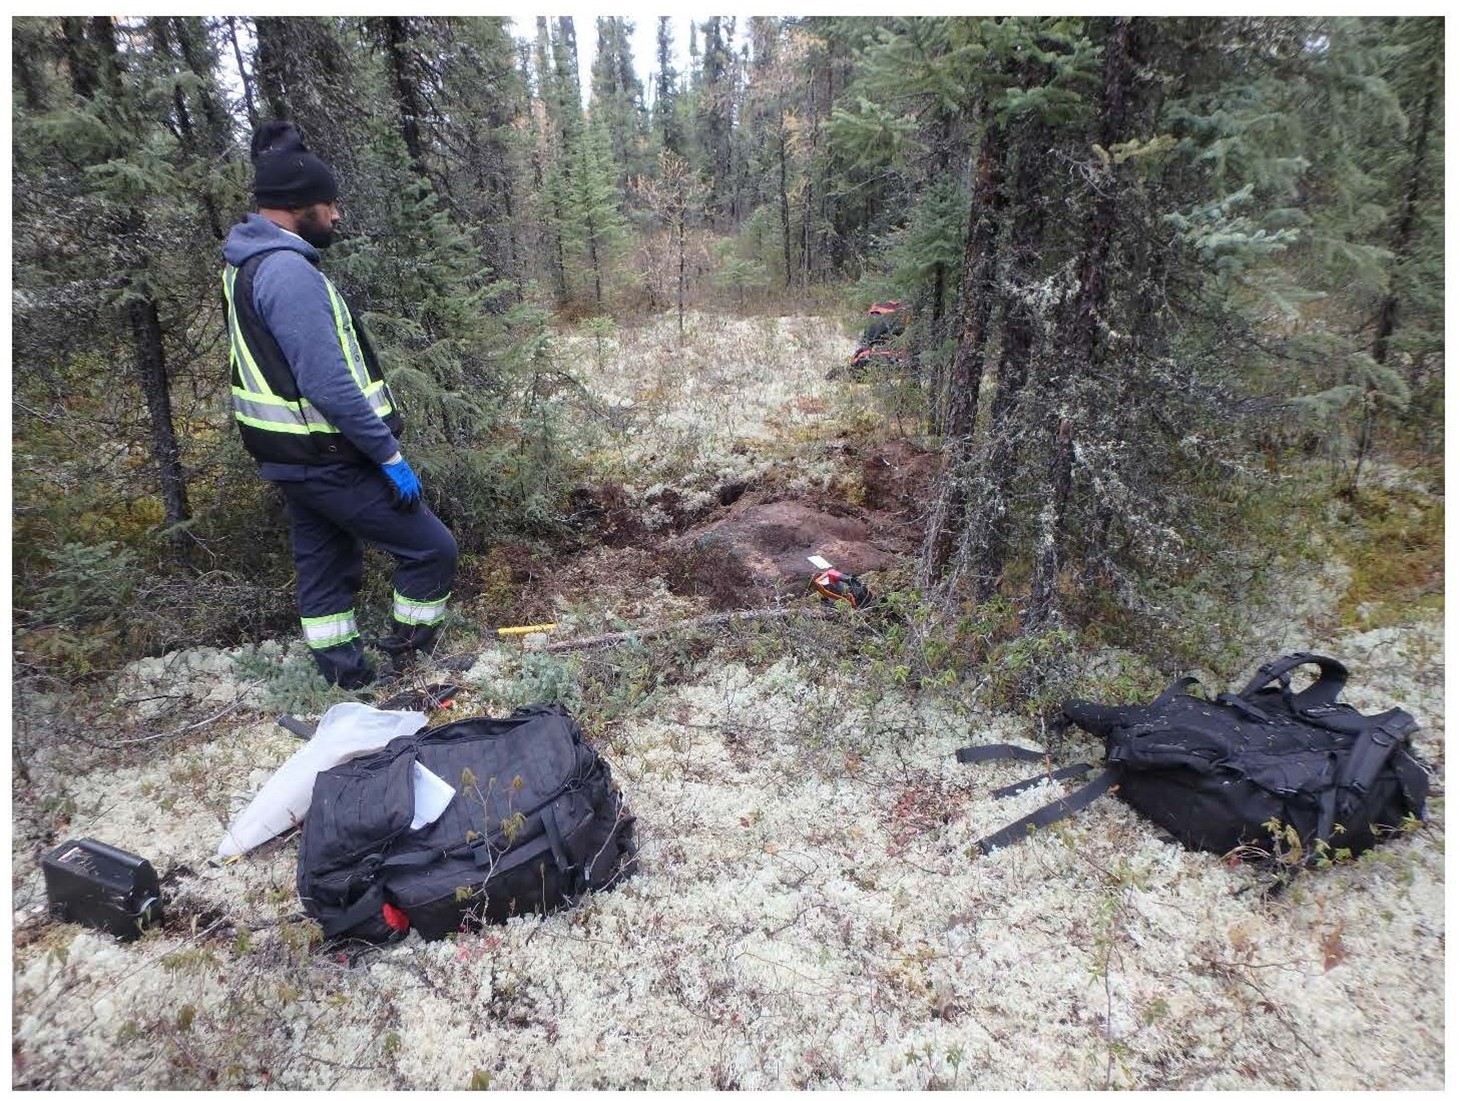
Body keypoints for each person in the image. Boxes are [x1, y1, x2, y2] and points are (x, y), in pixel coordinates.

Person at [221, 120, 457, 690]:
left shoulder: (247, 262)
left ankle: (345, 677)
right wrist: (387, 454)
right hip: (328, 455)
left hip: (293, 458)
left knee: (325, 564)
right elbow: (327, 381)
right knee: (432, 550)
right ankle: (410, 661)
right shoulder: (286, 272)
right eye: (329, 204)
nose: (336, 216)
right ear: (299, 205)